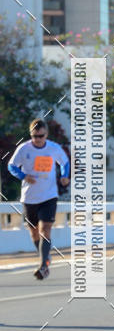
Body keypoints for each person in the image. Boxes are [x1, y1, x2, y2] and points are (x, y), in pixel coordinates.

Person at [8, 118, 70, 279]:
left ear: (46, 134)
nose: (38, 139)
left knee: (45, 229)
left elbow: (64, 163)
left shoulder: (53, 148)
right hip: (29, 197)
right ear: (31, 135)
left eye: (41, 136)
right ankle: (45, 256)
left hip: (49, 196)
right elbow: (11, 165)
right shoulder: (24, 148)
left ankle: (43, 266)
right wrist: (23, 175)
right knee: (34, 233)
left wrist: (64, 176)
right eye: (35, 136)